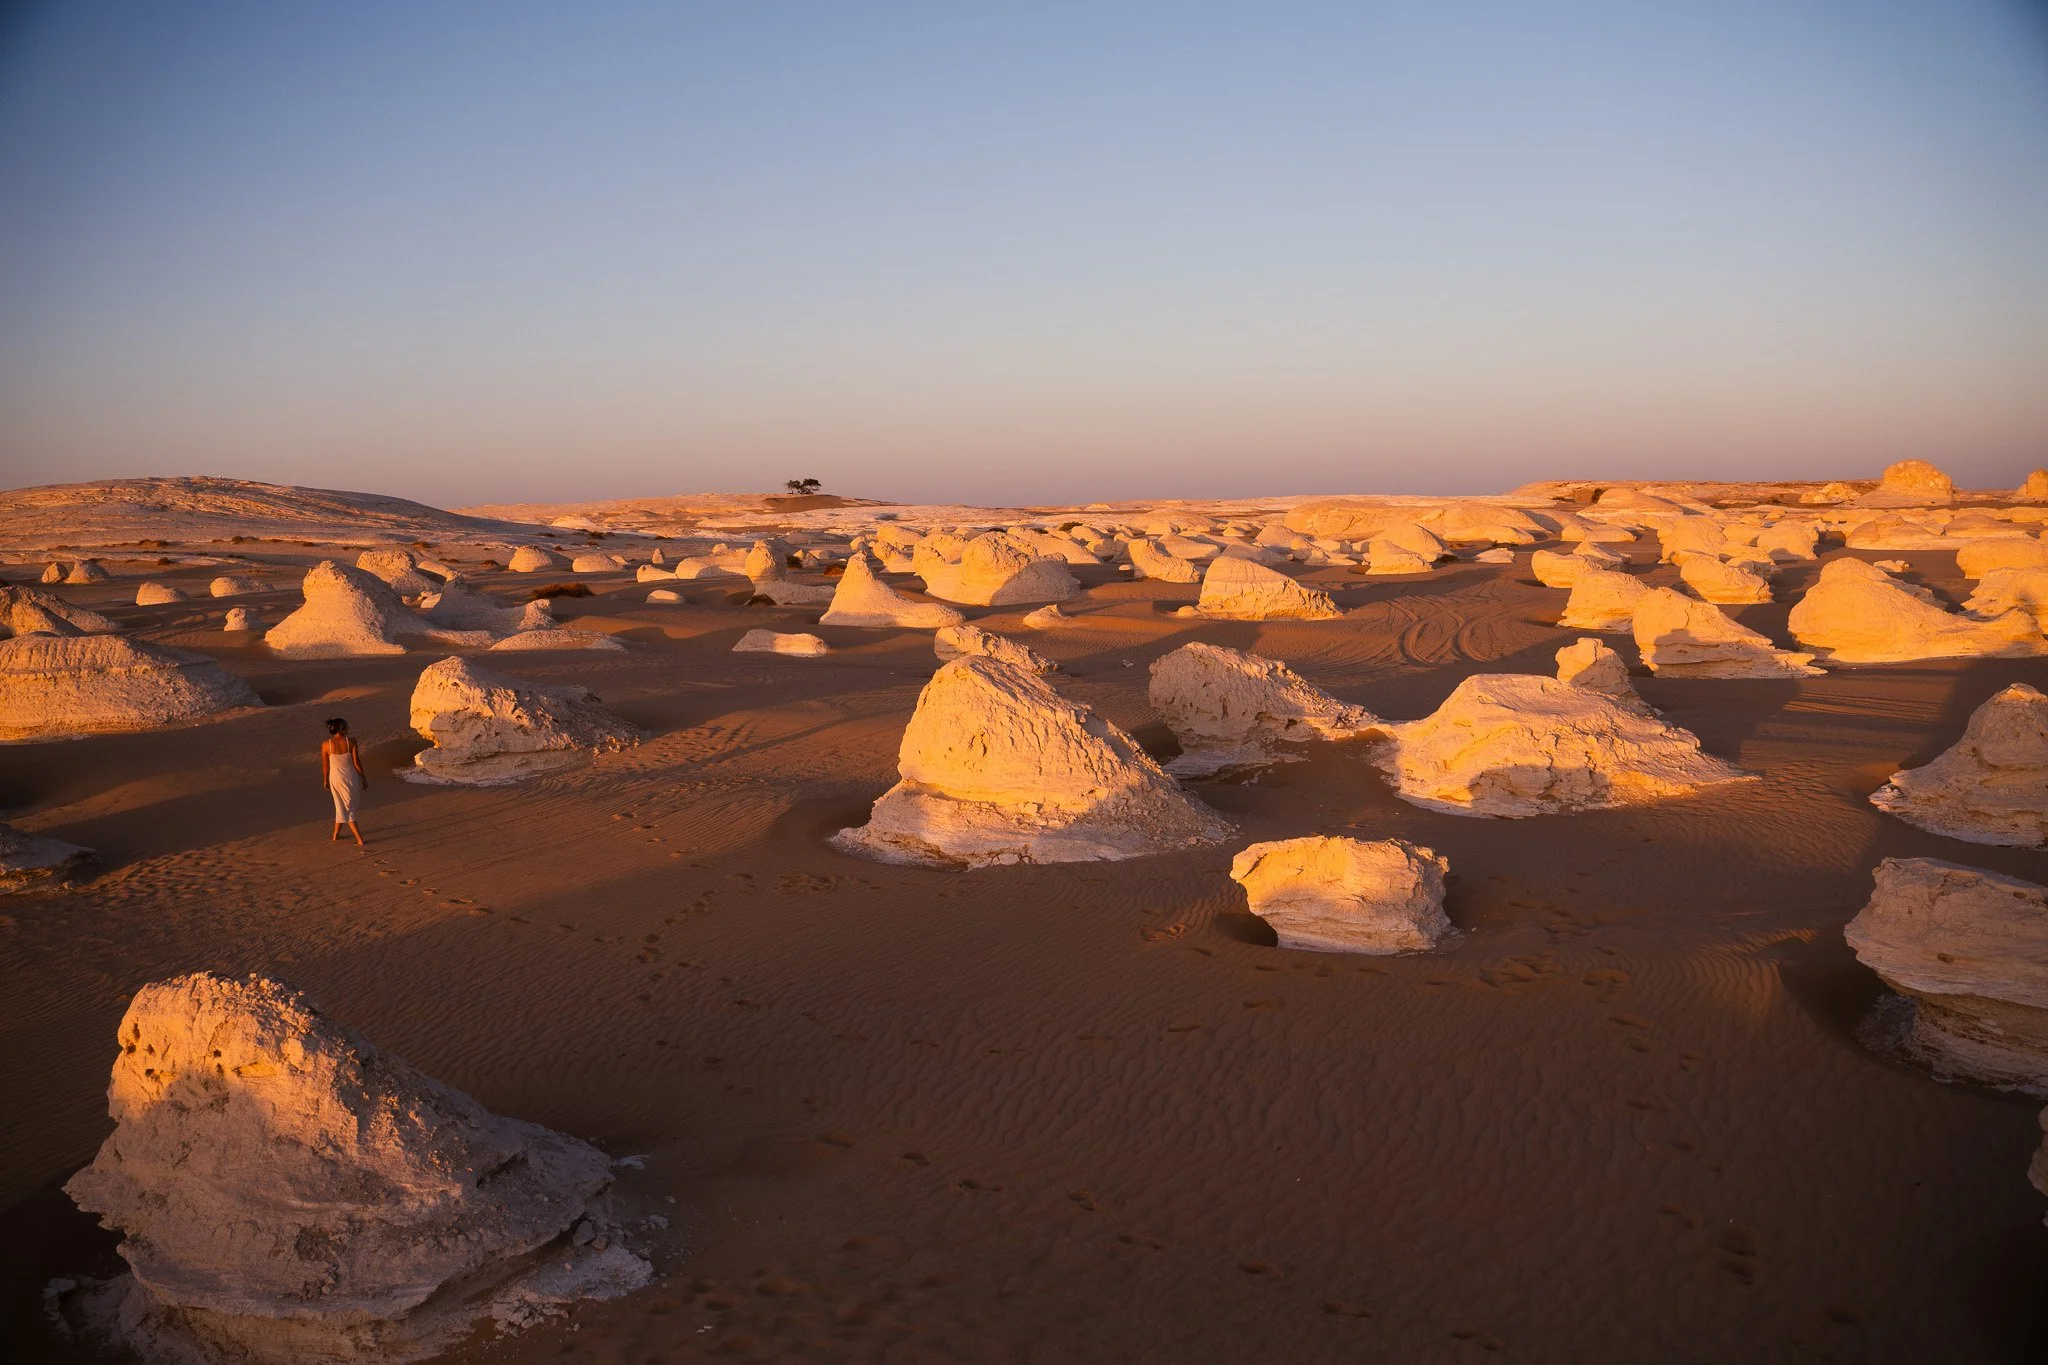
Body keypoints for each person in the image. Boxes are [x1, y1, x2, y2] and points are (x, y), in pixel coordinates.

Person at [321, 717, 367, 846]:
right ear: (341, 728)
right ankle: (360, 840)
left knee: (340, 805)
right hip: (351, 777)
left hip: (335, 778)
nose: (348, 728)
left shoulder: (325, 745)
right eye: (346, 726)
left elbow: (325, 767)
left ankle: (335, 834)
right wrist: (363, 778)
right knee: (349, 808)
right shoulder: (351, 741)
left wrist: (325, 780)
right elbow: (356, 763)